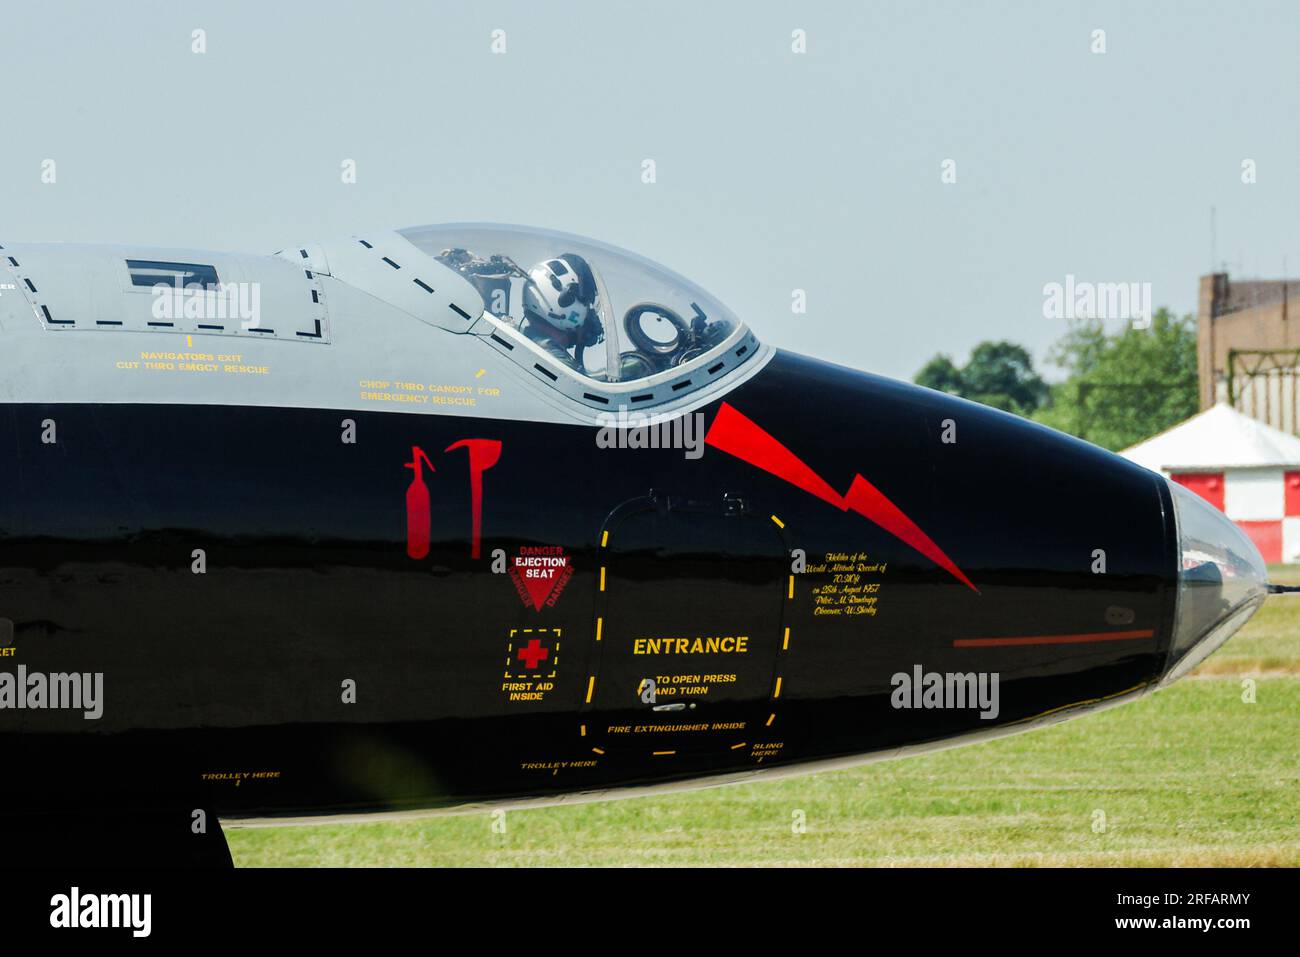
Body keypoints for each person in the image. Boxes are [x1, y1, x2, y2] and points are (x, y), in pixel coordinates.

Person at [518, 254, 605, 372]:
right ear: (565, 299)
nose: (591, 313)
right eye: (586, 302)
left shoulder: (532, 349)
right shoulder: (555, 364)